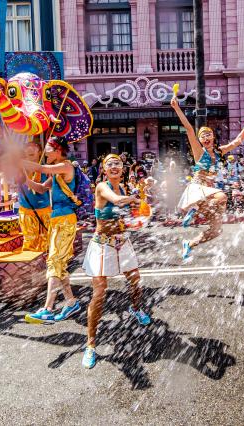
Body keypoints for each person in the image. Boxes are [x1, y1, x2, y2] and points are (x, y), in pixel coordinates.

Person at [81, 154, 151, 369]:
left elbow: (128, 215)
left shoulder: (124, 188)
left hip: (122, 242)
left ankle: (135, 308)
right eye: (109, 164)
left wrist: (138, 218)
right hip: (102, 244)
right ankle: (90, 345)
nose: (114, 166)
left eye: (117, 163)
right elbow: (118, 201)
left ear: (123, 168)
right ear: (104, 169)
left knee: (135, 280)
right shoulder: (102, 187)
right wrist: (136, 198)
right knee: (99, 294)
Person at [171, 95, 244, 259]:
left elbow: (238, 141)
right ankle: (194, 209)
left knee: (216, 230)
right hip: (197, 189)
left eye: (208, 134)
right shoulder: (199, 152)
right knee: (222, 196)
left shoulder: (219, 152)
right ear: (200, 140)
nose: (206, 137)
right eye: (203, 136)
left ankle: (190, 244)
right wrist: (176, 108)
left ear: (213, 137)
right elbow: (189, 129)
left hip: (208, 193)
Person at [20, 137, 81, 324]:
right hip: (57, 220)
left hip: (65, 221)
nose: (45, 152)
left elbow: (42, 168)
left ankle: (47, 309)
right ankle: (71, 302)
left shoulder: (65, 166)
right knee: (58, 263)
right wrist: (24, 178)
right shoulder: (55, 172)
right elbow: (39, 189)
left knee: (54, 261)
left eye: (47, 148)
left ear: (57, 149)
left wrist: (19, 161)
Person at [18, 141, 52, 252]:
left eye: (34, 146)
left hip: (44, 212)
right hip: (26, 212)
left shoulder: (47, 170)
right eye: (27, 147)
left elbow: (42, 189)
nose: (30, 148)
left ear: (40, 151)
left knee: (46, 244)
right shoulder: (19, 169)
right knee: (29, 244)